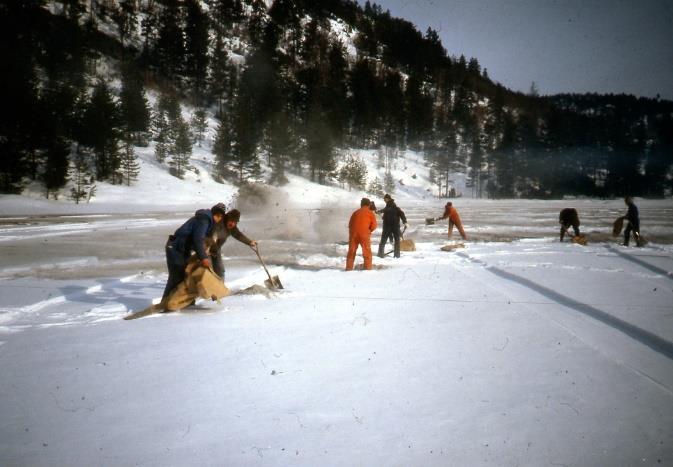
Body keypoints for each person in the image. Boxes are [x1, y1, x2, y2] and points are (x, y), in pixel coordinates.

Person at [162, 203, 227, 301]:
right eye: (220, 218)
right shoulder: (204, 220)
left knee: (186, 276)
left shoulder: (206, 221)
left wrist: (210, 251)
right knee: (176, 277)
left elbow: (206, 239)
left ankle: (185, 301)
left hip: (182, 249)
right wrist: (204, 257)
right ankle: (165, 303)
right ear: (219, 216)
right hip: (176, 248)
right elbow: (198, 239)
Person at [208, 209, 257, 280]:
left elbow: (238, 235)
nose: (232, 224)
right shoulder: (219, 223)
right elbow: (211, 236)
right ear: (227, 218)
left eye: (235, 222)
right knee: (208, 268)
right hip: (206, 248)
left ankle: (221, 287)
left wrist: (249, 242)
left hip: (216, 250)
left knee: (220, 270)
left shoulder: (232, 228)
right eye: (231, 221)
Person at [346, 198, 378, 271]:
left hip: (353, 234)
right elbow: (374, 225)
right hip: (364, 234)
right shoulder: (370, 213)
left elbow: (350, 224)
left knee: (351, 251)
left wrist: (352, 232)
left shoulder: (355, 212)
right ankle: (367, 268)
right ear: (368, 204)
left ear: (361, 204)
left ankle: (349, 268)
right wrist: (369, 230)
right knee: (366, 251)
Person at [377, 194, 407, 258]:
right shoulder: (392, 206)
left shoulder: (391, 207)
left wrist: (405, 222)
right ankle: (397, 255)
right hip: (395, 227)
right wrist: (405, 222)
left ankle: (380, 254)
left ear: (388, 199)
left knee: (383, 240)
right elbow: (402, 214)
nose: (384, 200)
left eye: (385, 199)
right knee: (396, 241)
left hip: (388, 227)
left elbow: (386, 210)